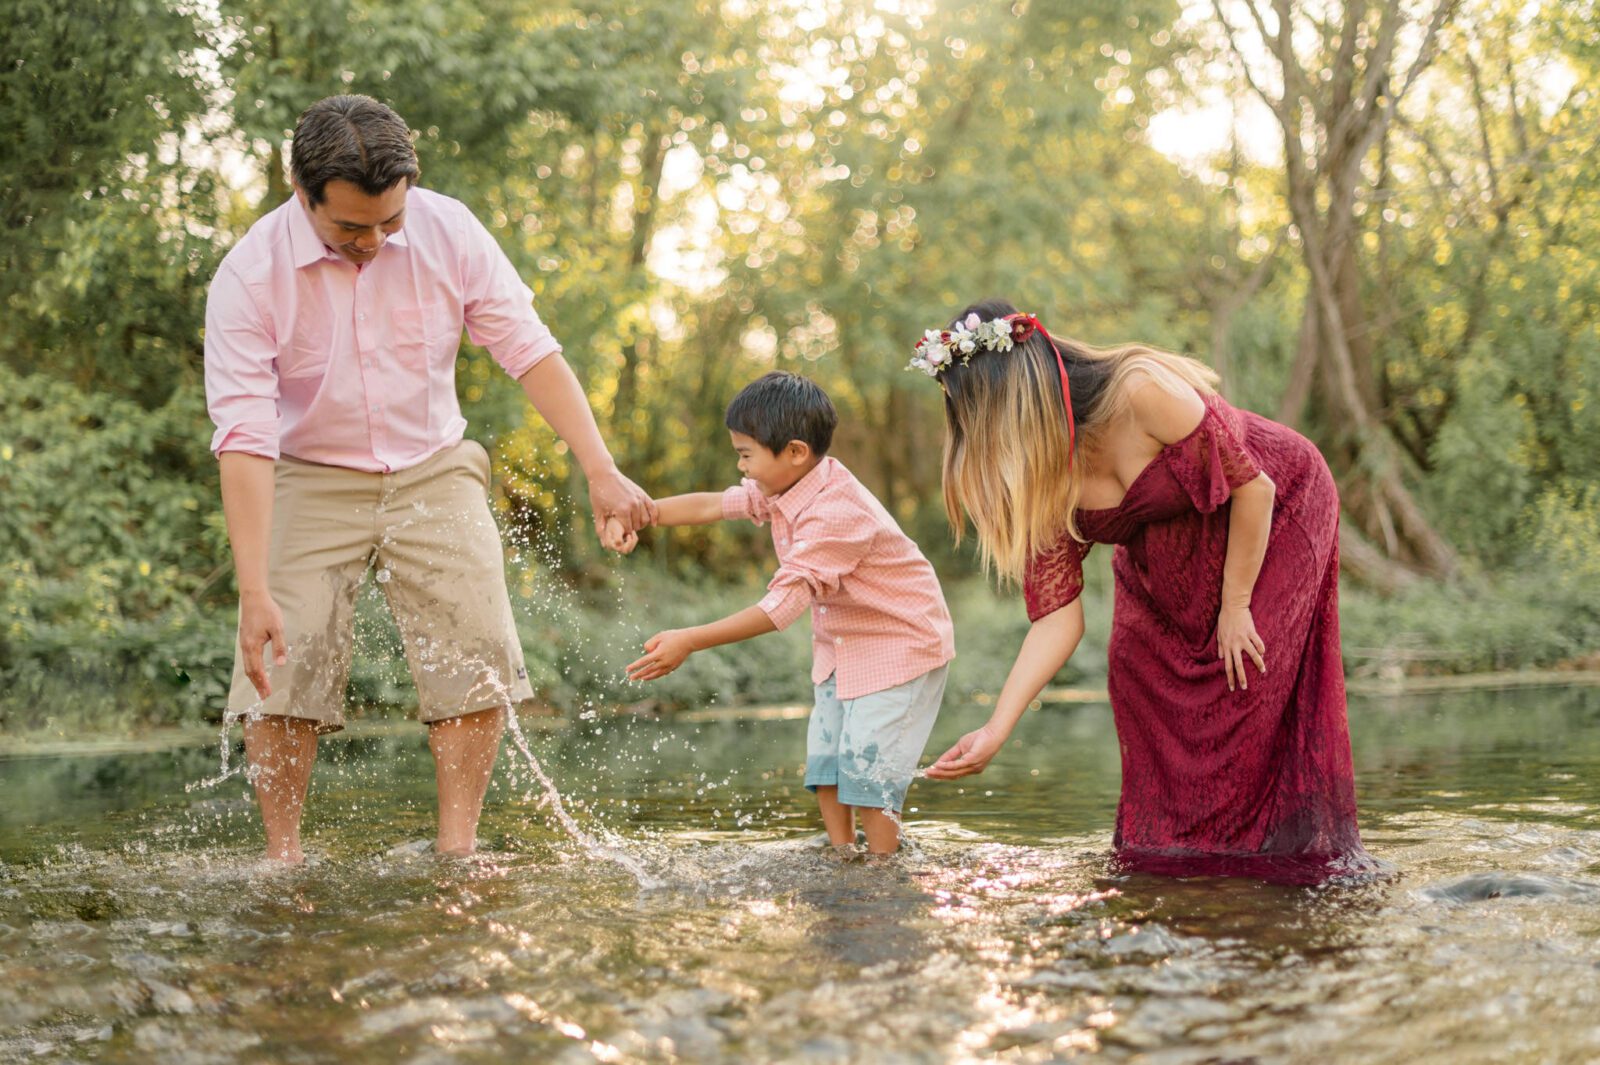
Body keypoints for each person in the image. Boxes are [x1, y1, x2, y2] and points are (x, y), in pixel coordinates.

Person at [204, 95, 653, 863]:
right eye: (350, 227)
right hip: (307, 471)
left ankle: (458, 852)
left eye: (389, 222)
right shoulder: (249, 276)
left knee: (474, 644)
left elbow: (529, 349)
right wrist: (254, 590)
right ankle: (283, 858)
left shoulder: (449, 231)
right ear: (298, 188)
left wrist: (600, 467)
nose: (374, 241)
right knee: (283, 663)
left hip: (434, 465)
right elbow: (244, 438)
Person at [920, 298, 1374, 883]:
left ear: (1023, 395)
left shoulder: (1138, 392)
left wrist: (1236, 606)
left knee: (1243, 686)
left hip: (1274, 514)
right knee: (1138, 680)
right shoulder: (1040, 473)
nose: (982, 439)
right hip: (1164, 557)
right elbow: (1057, 619)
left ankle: (1271, 872)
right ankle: (1173, 873)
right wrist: (995, 728)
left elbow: (1253, 487)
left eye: (987, 419)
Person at [618, 372, 954, 857]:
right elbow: (713, 505)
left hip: (901, 645)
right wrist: (638, 513)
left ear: (794, 451)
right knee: (826, 765)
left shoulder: (837, 510)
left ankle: (884, 873)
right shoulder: (784, 487)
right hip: (843, 647)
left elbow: (780, 609)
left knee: (868, 772)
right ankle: (842, 858)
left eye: (746, 454)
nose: (741, 465)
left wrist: (691, 638)